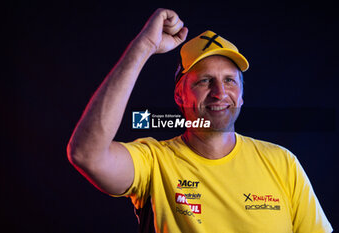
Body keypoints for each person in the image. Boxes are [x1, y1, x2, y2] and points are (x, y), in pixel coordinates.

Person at [67, 8, 333, 233]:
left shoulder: (283, 163)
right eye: (205, 81)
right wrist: (144, 47)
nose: (219, 93)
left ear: (241, 96)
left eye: (229, 80)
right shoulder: (154, 163)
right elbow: (86, 154)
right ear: (179, 95)